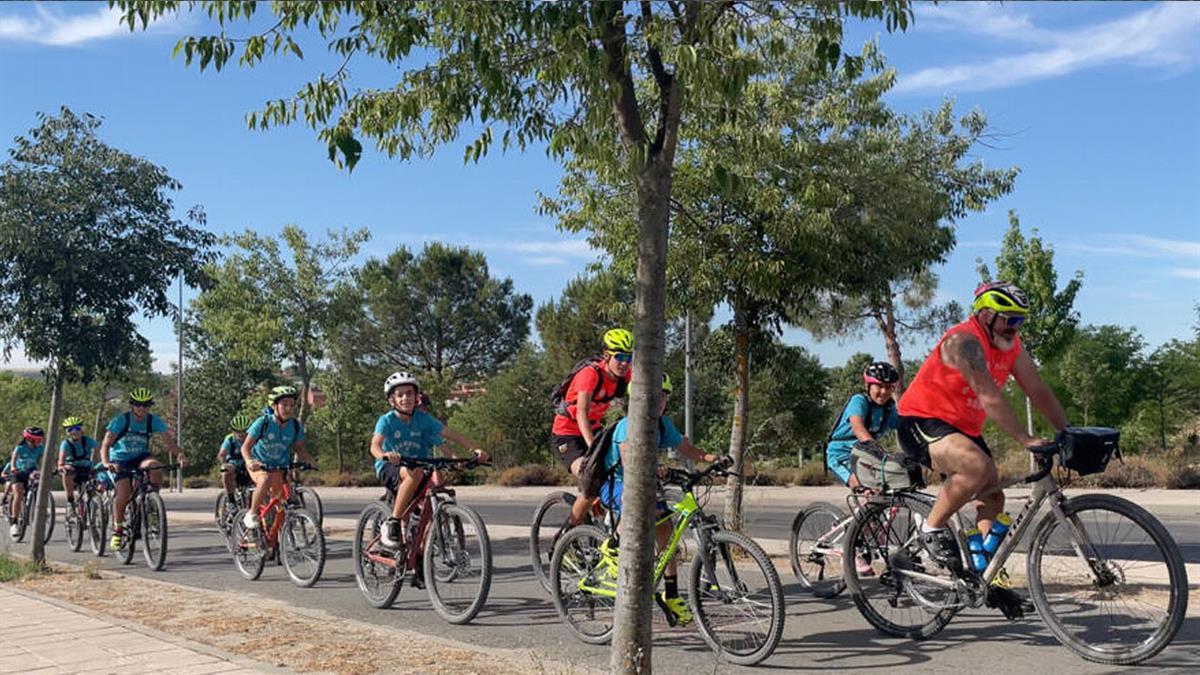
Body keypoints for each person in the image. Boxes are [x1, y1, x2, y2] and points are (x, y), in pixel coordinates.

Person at [896, 281, 1069, 618]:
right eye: (1010, 319)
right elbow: (988, 395)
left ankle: (986, 578)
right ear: (986, 314)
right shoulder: (964, 342)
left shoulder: (1012, 346)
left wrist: (1068, 430)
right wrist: (1025, 439)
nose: (1016, 327)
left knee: (992, 498)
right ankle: (931, 528)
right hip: (921, 420)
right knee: (976, 467)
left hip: (962, 429)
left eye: (1021, 320)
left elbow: (1036, 388)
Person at [599, 373, 716, 626]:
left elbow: (687, 449)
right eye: (653, 396)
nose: (658, 401)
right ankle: (612, 546)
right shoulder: (627, 426)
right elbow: (629, 463)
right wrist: (654, 467)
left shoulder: (663, 425)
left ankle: (671, 594)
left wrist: (713, 460)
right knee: (638, 504)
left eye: (663, 396)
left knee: (666, 530)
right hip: (617, 484)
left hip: (646, 485)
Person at [371, 371, 488, 556]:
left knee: (428, 485)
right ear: (392, 400)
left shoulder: (423, 420)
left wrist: (475, 449)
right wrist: (384, 455)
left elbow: (451, 435)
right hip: (391, 467)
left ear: (416, 396)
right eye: (400, 395)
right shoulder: (386, 420)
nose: (405, 398)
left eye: (409, 393)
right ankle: (393, 522)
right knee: (415, 473)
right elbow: (375, 446)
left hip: (418, 466)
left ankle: (421, 554)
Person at [551, 328, 634, 527]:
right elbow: (582, 413)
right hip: (567, 435)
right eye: (619, 356)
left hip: (594, 430)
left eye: (629, 357)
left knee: (617, 470)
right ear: (606, 356)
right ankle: (568, 531)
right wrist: (593, 449)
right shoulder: (590, 374)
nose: (624, 363)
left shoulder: (625, 376)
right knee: (591, 474)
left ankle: (602, 519)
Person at [100, 388, 185, 550]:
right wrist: (106, 463)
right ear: (132, 405)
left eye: (146, 405)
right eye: (138, 405)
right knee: (124, 494)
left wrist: (180, 455)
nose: (142, 408)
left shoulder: (153, 421)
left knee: (155, 465)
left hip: (141, 457)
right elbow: (105, 444)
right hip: (120, 459)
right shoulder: (121, 421)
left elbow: (170, 443)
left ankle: (152, 501)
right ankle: (118, 529)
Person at [240, 386, 317, 530]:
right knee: (264, 479)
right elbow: (245, 447)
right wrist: (249, 461)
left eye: (292, 405)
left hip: (279, 468)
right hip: (260, 465)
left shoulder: (295, 426)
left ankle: (275, 539)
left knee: (279, 506)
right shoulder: (263, 423)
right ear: (275, 406)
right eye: (284, 404)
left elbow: (300, 449)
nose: (289, 408)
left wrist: (309, 460)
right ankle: (252, 513)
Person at [824, 361, 901, 488]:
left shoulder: (888, 408)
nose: (884, 392)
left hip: (864, 455)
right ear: (868, 386)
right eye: (879, 386)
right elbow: (858, 427)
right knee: (863, 486)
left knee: (893, 484)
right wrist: (877, 452)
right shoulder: (859, 401)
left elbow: (904, 426)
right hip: (841, 454)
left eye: (888, 387)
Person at [7, 427, 45, 537]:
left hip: (32, 472)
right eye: (37, 440)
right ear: (29, 440)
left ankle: (39, 510)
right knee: (18, 494)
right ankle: (14, 523)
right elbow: (13, 459)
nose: (39, 442)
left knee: (39, 489)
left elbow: (46, 459)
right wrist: (13, 467)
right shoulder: (20, 447)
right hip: (19, 472)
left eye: (40, 440)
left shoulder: (41, 448)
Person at [57, 416, 98, 505]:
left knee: (97, 477)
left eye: (77, 428)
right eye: (70, 429)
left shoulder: (88, 441)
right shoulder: (65, 444)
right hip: (73, 469)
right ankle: (70, 500)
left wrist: (97, 464)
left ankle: (93, 502)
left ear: (82, 429)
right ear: (67, 432)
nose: (74, 431)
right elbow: (61, 462)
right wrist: (63, 467)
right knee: (66, 473)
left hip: (87, 468)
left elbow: (98, 452)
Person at [218, 414, 254, 505]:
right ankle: (231, 500)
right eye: (238, 431)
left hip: (249, 464)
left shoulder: (254, 438)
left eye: (244, 431)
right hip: (234, 464)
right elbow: (222, 454)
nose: (241, 434)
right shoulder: (230, 439)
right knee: (225, 471)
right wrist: (223, 464)